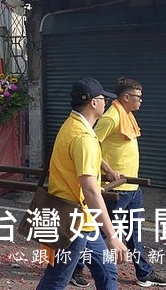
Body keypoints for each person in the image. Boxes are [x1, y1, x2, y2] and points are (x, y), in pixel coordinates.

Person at [36, 77, 127, 290]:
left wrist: (106, 169)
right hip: (74, 221)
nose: (107, 102)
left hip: (79, 217)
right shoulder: (83, 137)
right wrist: (112, 236)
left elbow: (85, 159)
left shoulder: (72, 125)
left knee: (107, 270)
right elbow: (91, 190)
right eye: (104, 98)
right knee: (56, 280)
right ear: (94, 103)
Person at [96, 77, 166, 287]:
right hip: (115, 189)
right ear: (126, 97)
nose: (141, 101)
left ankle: (144, 273)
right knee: (101, 234)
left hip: (132, 187)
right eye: (138, 97)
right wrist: (108, 170)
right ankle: (75, 270)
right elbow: (90, 144)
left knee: (133, 233)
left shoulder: (127, 116)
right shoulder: (111, 117)